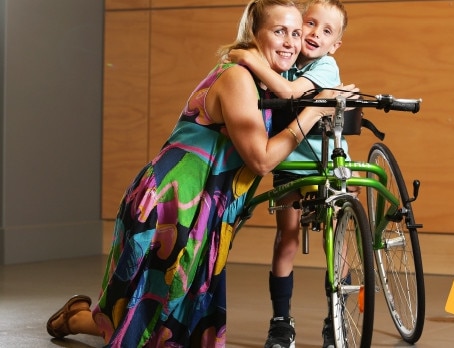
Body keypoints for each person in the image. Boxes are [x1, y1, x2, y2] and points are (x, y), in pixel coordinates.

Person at [45, 1, 356, 346]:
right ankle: (77, 318)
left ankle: (78, 316)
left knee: (172, 324)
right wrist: (314, 111)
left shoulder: (268, 80)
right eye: (279, 31)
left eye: (296, 33)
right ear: (255, 32)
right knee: (148, 321)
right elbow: (262, 161)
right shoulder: (239, 78)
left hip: (205, 211)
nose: (291, 42)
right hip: (172, 204)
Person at [227, 1, 351, 347]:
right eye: (309, 24)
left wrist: (249, 59)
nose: (314, 34)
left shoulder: (326, 66)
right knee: (288, 238)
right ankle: (281, 321)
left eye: (326, 31)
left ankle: (336, 317)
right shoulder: (284, 61)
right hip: (288, 164)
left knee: (335, 243)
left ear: (335, 44)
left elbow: (289, 92)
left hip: (326, 162)